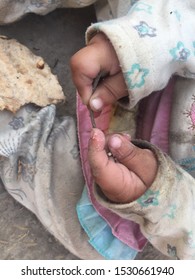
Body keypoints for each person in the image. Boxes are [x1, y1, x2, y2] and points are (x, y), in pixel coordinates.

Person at [0, 0, 195, 260]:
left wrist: (157, 195)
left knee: (101, 244)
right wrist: (134, 49)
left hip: (162, 185)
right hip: (160, 23)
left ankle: (16, 125)